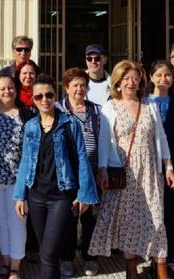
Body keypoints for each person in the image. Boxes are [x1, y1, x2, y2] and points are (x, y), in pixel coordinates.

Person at [90, 60, 174, 279]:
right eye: (126, 78)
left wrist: (169, 168)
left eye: (135, 78)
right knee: (128, 221)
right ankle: (131, 270)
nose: (131, 82)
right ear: (118, 83)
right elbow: (103, 139)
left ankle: (161, 268)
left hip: (150, 170)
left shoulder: (150, 104)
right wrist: (102, 169)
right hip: (123, 171)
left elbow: (161, 138)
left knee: (156, 218)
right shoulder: (110, 106)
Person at [14, 75, 99, 279]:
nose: (44, 100)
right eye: (39, 96)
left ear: (55, 96)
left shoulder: (69, 124)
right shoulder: (31, 126)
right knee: (46, 251)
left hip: (61, 197)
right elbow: (25, 160)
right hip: (36, 196)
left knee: (50, 254)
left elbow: (82, 158)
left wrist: (85, 193)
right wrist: (20, 195)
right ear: (33, 100)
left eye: (49, 95)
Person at [56, 68, 107, 278]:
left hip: (93, 173)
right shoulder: (58, 109)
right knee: (68, 218)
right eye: (74, 84)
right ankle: (66, 259)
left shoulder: (96, 110)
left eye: (82, 85)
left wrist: (103, 168)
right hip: (68, 174)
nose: (79, 88)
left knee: (90, 219)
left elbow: (104, 139)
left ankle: (90, 258)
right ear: (66, 87)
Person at [0, 74, 35, 279]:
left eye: (11, 87)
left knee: (18, 224)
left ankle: (15, 267)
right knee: (1, 224)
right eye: (3, 88)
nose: (7, 91)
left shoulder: (27, 114)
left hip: (18, 182)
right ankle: (5, 264)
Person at [147, 60, 174, 279]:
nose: (163, 79)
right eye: (159, 75)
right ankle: (152, 259)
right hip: (149, 167)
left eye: (167, 75)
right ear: (151, 77)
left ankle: (171, 258)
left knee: (173, 215)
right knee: (153, 215)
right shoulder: (144, 102)